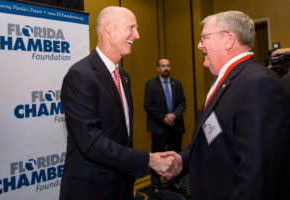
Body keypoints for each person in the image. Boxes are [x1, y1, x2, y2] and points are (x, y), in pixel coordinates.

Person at [164, 10, 290, 200]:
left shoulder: (258, 84)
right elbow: (213, 138)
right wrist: (183, 160)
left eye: (204, 38)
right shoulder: (228, 79)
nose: (199, 45)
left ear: (228, 40)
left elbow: (256, 173)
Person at [59, 6, 180, 200]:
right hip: (92, 189)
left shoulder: (123, 76)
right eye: (131, 27)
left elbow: (123, 137)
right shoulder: (80, 75)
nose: (137, 35)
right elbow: (91, 142)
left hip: (121, 184)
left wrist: (128, 180)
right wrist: (149, 159)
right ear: (108, 27)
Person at [144, 58, 187, 199]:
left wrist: (174, 115)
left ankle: (173, 182)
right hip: (159, 128)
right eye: (162, 66)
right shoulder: (150, 85)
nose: (165, 68)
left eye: (168, 65)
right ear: (157, 68)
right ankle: (156, 186)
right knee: (157, 158)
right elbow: (148, 105)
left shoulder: (177, 84)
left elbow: (182, 103)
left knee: (175, 157)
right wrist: (164, 118)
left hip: (175, 127)